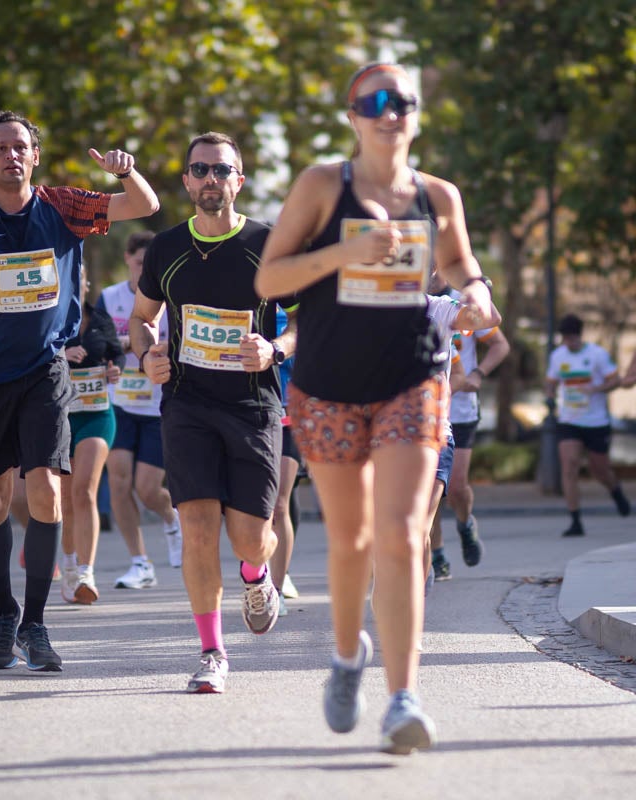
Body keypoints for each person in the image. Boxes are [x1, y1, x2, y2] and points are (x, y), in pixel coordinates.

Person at [255, 62, 494, 754]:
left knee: (400, 535)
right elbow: (271, 277)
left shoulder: (438, 196)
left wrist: (475, 294)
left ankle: (402, 697)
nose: (391, 113)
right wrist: (344, 251)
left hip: (414, 381)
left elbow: (460, 267)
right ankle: (344, 656)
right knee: (353, 539)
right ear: (353, 114)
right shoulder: (322, 186)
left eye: (403, 102)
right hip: (328, 385)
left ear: (417, 115)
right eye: (375, 102)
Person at [0, 110, 159, 671]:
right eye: (0, 148)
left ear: (34, 156)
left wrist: (125, 171)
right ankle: (4, 614)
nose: (11, 155)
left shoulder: (62, 206)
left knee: (46, 490)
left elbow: (144, 207)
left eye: (20, 146)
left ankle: (36, 624)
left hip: (45, 370)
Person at [130, 131, 288, 695]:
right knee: (197, 528)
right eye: (200, 170)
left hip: (252, 406)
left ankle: (257, 573)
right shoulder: (167, 249)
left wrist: (277, 349)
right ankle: (212, 651)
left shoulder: (269, 244)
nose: (210, 180)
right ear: (186, 181)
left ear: (238, 181)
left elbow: (312, 317)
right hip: (187, 403)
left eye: (222, 170)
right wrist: (146, 352)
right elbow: (142, 317)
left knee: (249, 537)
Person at [98, 231, 181, 591]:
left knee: (147, 488)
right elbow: (97, 341)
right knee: (118, 480)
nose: (143, 269)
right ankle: (140, 562)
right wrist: (115, 353)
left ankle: (171, 517)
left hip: (158, 405)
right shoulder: (109, 298)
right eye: (138, 263)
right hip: (120, 401)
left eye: (150, 264)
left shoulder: (171, 299)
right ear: (128, 260)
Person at [430, 276, 510, 579]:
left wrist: (477, 374)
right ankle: (436, 554)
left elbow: (500, 345)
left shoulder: (459, 302)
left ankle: (465, 525)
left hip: (461, 410)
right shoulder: (411, 299)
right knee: (431, 492)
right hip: (427, 412)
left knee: (458, 487)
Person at [59, 267, 124, 604]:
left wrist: (115, 369)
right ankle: (68, 568)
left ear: (85, 283)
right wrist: (61, 355)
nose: (76, 283)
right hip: (63, 416)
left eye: (80, 278)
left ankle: (87, 572)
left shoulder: (99, 318)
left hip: (98, 414)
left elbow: (118, 353)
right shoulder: (49, 315)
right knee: (67, 499)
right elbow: (32, 354)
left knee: (85, 490)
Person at [545, 313, 631, 537]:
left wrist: (596, 389)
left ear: (579, 336)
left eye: (572, 338)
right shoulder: (558, 356)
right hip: (569, 420)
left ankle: (615, 490)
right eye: (565, 338)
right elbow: (550, 382)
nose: (569, 342)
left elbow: (615, 380)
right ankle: (575, 519)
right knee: (569, 465)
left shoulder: (597, 355)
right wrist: (550, 396)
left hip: (596, 421)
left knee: (599, 469)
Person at [269, 304, 300, 613]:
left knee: (280, 503)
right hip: (252, 411)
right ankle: (258, 577)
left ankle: (276, 588)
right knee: (254, 505)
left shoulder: (298, 305)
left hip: (290, 412)